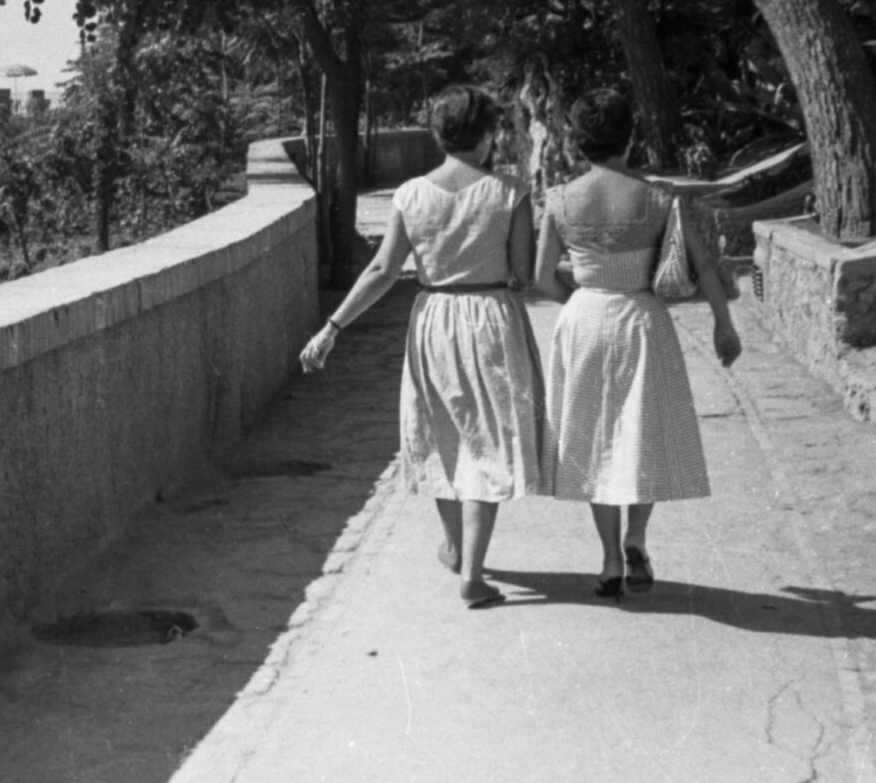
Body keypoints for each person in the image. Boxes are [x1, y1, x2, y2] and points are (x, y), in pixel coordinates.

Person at [300, 85, 545, 609]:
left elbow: (384, 270)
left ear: (437, 136)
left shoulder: (411, 194)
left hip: (434, 320)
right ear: (485, 136)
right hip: (491, 318)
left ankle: (456, 548)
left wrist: (331, 328)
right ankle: (473, 574)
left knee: (443, 433)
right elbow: (524, 273)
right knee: (489, 442)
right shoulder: (510, 190)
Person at [534, 90, 741, 600]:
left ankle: (607, 560)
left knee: (592, 437)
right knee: (641, 434)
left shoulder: (561, 198)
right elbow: (705, 267)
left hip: (585, 317)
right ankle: (636, 539)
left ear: (579, 141)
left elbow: (540, 277)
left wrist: (582, 302)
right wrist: (723, 324)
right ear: (629, 136)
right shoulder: (658, 198)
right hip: (641, 318)